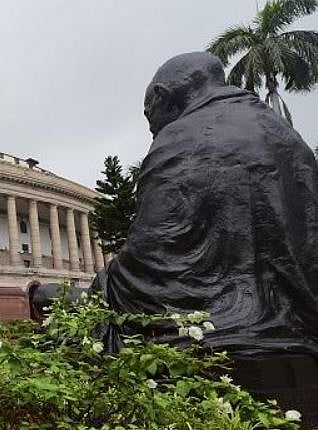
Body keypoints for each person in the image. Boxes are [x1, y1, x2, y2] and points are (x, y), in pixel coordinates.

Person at [94, 52, 318, 356]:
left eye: (149, 115)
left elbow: (152, 256)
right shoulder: (286, 134)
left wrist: (108, 279)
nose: (151, 129)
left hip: (224, 322)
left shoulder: (178, 138)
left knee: (98, 295)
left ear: (162, 97)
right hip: (303, 316)